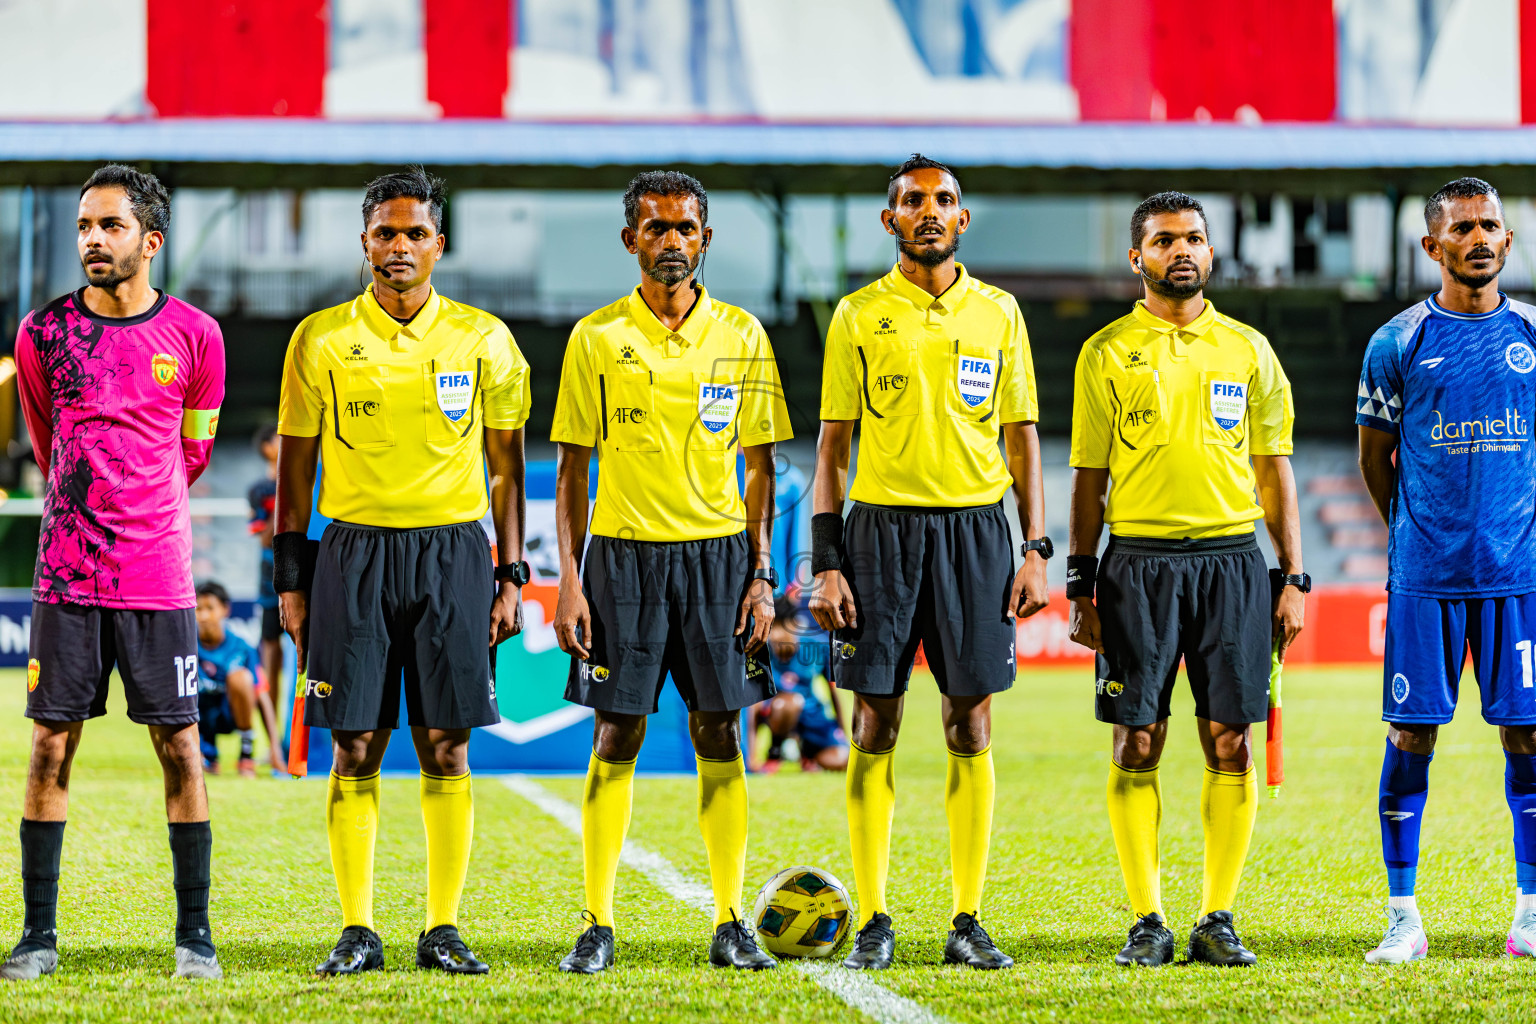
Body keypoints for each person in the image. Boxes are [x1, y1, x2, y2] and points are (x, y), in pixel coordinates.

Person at [274, 166, 530, 976]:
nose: (399, 246)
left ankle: (442, 928)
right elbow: (294, 469)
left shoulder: (485, 339)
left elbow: (508, 469)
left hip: (455, 553)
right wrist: (290, 579)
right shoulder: (319, 338)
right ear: (365, 242)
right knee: (354, 744)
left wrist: (513, 574)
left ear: (438, 244)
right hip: (351, 552)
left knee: (446, 745)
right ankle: (358, 928)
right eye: (385, 233)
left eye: (415, 233)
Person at [809, 154, 1050, 971]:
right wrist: (828, 561)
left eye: (944, 200)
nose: (930, 211)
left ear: (963, 218)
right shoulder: (857, 315)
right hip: (879, 536)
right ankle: (874, 918)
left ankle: (967, 918)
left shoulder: (1000, 313)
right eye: (913, 201)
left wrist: (1035, 547)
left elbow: (1023, 438)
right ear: (891, 220)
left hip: (978, 536)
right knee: (873, 722)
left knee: (969, 722)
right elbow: (832, 448)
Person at [550, 170, 791, 975]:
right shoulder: (594, 337)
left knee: (719, 730)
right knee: (616, 732)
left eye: (686, 227)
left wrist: (762, 572)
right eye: (656, 228)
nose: (673, 241)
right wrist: (571, 581)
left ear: (706, 238)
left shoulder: (745, 335)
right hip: (622, 557)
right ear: (631, 240)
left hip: (720, 558)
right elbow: (570, 470)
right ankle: (597, 922)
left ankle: (730, 919)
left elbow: (762, 467)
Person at [1066, 191, 1305, 968]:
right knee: (1138, 737)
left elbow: (1275, 473)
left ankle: (1216, 917)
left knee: (1229, 740)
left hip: (1233, 561)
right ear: (1137, 256)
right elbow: (1089, 476)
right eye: (1166, 240)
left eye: (1194, 238)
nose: (1183, 251)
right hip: (1136, 564)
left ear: (1209, 251)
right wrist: (1079, 582)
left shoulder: (1249, 350)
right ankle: (1147, 919)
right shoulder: (1105, 352)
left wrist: (1294, 576)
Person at [2, 164, 226, 981]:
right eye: (85, 226)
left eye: (111, 226)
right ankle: (37, 936)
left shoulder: (197, 336)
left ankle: (195, 937)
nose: (92, 240)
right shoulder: (41, 334)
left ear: (151, 240)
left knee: (181, 748)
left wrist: (140, 507)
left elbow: (193, 450)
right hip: (66, 575)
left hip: (157, 575)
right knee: (48, 748)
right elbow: (46, 438)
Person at [1355, 177, 1536, 964]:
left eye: (1489, 225)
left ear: (1507, 239)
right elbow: (1374, 460)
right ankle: (1404, 917)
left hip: (1519, 576)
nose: (1479, 238)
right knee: (1411, 734)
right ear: (1433, 246)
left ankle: (1530, 914)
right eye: (1461, 228)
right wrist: (1414, 536)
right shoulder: (1396, 342)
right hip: (1426, 578)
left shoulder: (1532, 333)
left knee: (1529, 733)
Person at [751, 596, 848, 773]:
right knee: (790, 703)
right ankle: (776, 751)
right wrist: (752, 758)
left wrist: (842, 733)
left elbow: (833, 692)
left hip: (812, 716)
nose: (777, 634)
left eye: (781, 626)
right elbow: (754, 705)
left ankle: (807, 754)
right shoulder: (761, 649)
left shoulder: (815, 646)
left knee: (842, 760)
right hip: (778, 712)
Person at [192, 582, 264, 777]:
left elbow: (260, 693)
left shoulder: (242, 646)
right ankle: (203, 754)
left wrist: (274, 749)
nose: (204, 615)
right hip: (199, 717)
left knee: (241, 677)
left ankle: (246, 753)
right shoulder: (186, 645)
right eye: (199, 609)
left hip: (230, 714)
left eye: (210, 608)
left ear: (225, 609)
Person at [247, 422, 286, 773]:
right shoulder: (260, 490)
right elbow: (262, 537)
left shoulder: (313, 477)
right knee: (271, 655)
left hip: (307, 573)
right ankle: (273, 744)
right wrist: (285, 493)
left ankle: (300, 739)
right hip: (270, 577)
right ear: (267, 449)